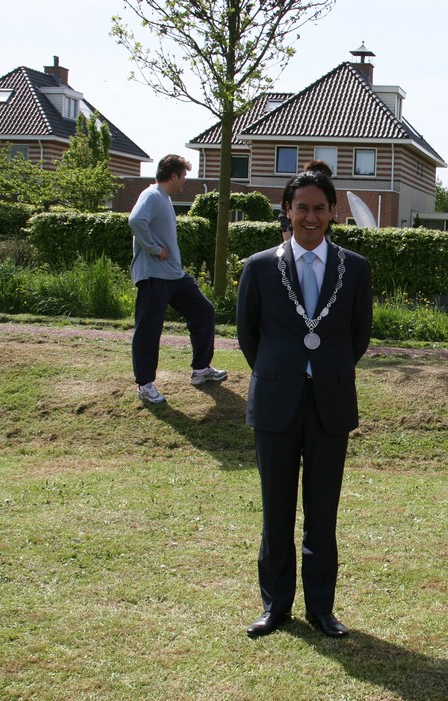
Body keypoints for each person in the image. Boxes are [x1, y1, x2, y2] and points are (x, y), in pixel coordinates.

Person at [236, 167, 373, 639]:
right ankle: (275, 606)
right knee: (276, 511)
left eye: (319, 208)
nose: (310, 217)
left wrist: (324, 373)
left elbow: (358, 336)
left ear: (332, 212)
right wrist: (282, 372)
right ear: (287, 211)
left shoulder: (355, 268)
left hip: (329, 404)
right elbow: (248, 336)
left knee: (322, 513)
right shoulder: (259, 267)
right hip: (275, 403)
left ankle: (321, 609)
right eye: (301, 208)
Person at [129, 154, 226, 404]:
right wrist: (153, 248)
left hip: (174, 276)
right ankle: (145, 384)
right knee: (149, 329)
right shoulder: (152, 195)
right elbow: (135, 220)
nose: (184, 180)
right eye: (183, 176)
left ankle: (201, 369)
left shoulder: (165, 199)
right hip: (154, 276)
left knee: (203, 311)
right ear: (173, 175)